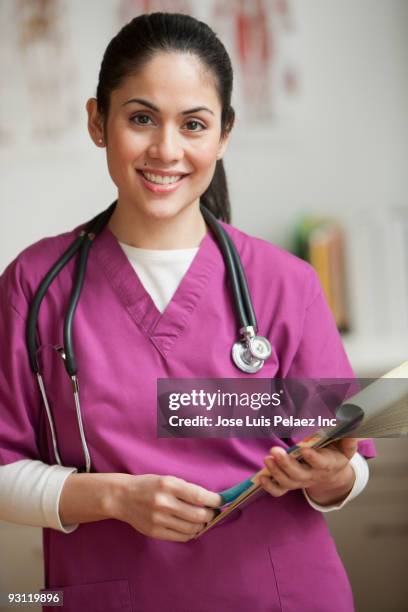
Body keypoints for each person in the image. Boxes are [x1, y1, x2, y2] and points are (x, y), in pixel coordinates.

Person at [0, 12, 375, 612]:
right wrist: (116, 498)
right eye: (141, 118)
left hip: (283, 594)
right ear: (99, 122)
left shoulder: (284, 285)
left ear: (223, 135)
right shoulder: (36, 285)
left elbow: (346, 468)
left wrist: (326, 477)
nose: (166, 149)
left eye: (193, 124)